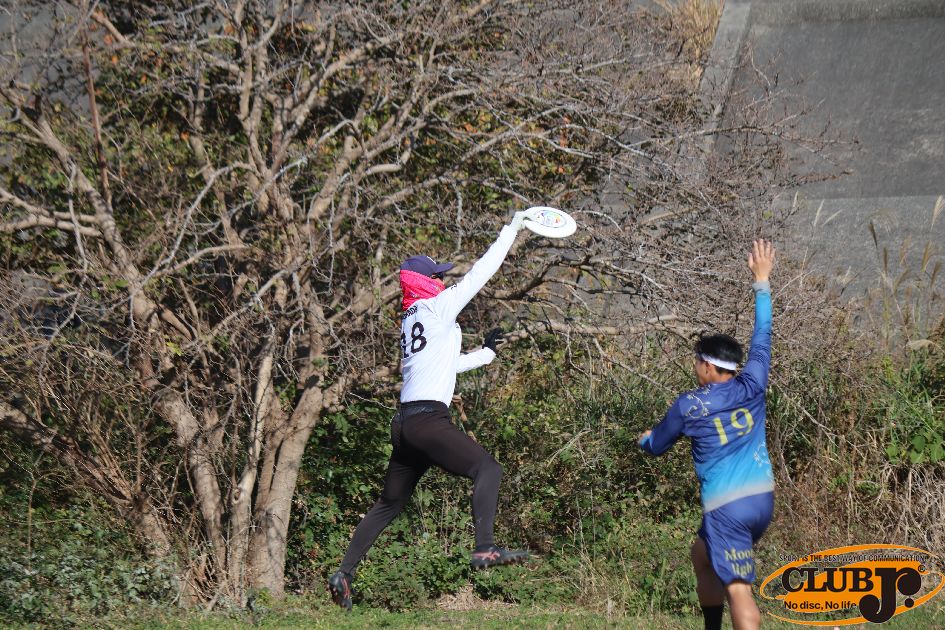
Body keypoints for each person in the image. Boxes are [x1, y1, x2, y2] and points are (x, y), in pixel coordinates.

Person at [328, 212, 532, 611]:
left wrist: (485, 354)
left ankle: (344, 574)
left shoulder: (410, 320)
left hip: (404, 424)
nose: (442, 280)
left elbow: (444, 365)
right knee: (488, 469)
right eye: (437, 276)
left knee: (389, 504)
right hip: (426, 421)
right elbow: (481, 273)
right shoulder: (437, 306)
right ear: (425, 282)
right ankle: (485, 547)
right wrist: (513, 228)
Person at [639, 239, 776, 630]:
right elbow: (763, 333)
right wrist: (762, 281)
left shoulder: (689, 405)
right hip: (761, 500)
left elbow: (656, 445)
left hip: (727, 506)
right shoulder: (753, 381)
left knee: (738, 588)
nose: (695, 365)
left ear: (710, 368)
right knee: (701, 553)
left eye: (698, 360)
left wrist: (643, 439)